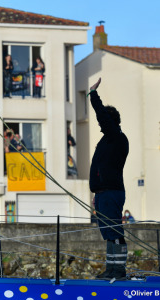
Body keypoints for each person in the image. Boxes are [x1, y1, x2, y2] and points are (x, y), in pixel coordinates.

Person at [89, 77, 129, 280]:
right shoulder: (108, 139)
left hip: (112, 192)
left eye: (102, 122)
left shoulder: (116, 137)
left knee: (115, 231)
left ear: (110, 122)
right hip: (103, 193)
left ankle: (119, 271)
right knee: (108, 233)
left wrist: (93, 94)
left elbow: (103, 117)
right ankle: (111, 269)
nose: (100, 125)